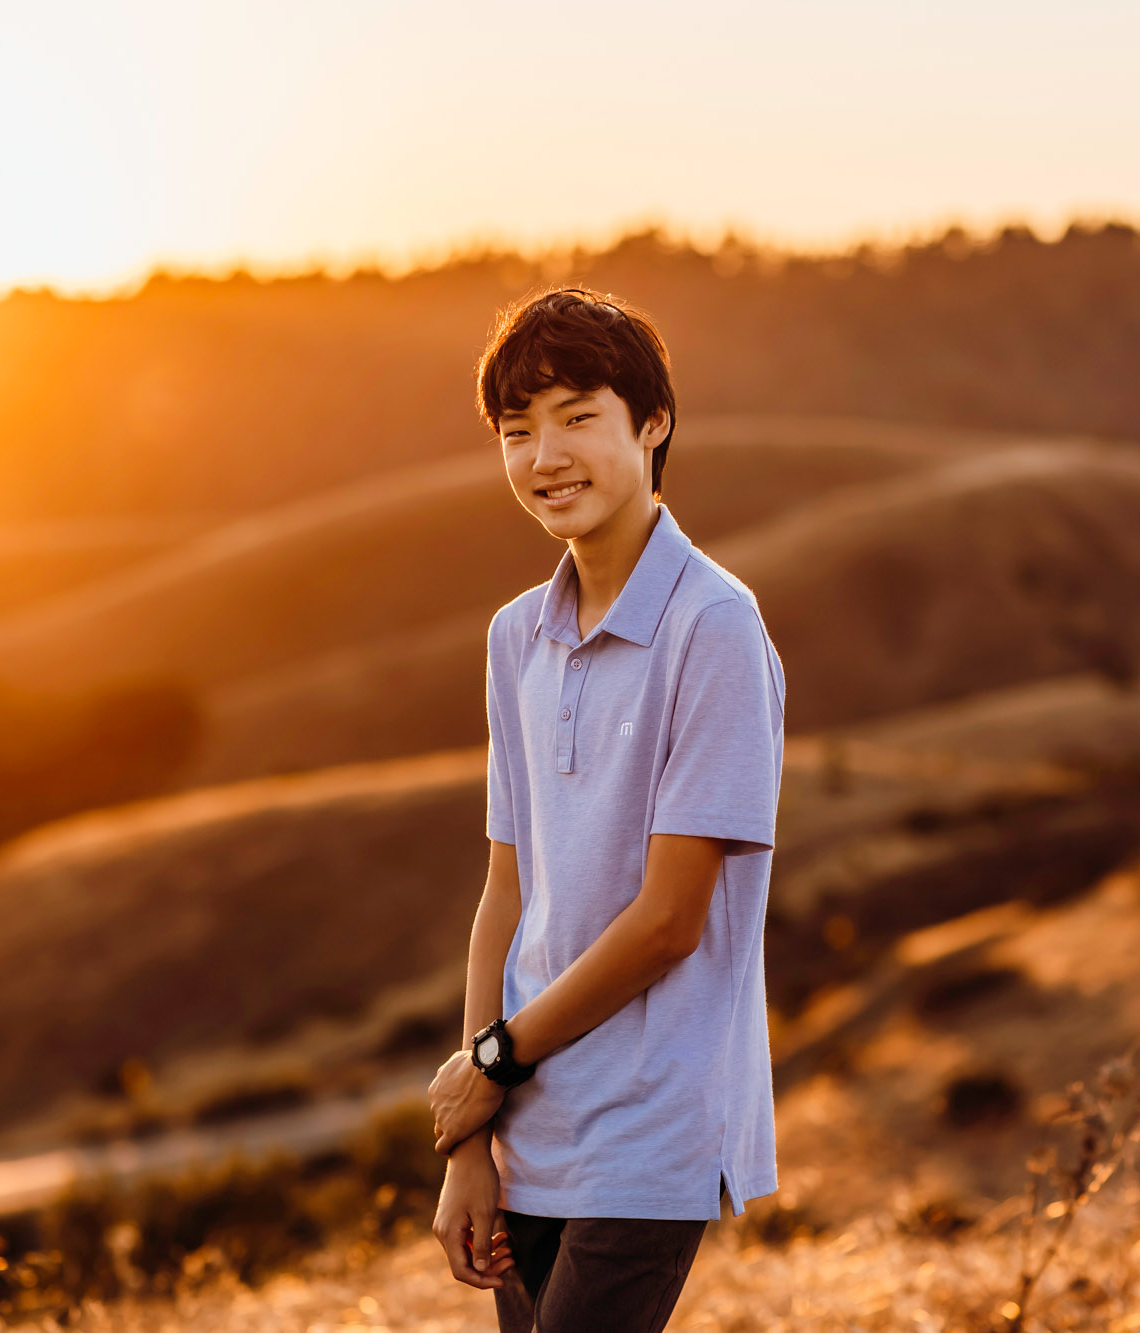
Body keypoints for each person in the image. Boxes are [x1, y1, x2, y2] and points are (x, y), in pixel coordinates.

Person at [427, 286, 788, 1332]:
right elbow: (506, 890)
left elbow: (671, 918)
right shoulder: (513, 638)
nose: (545, 456)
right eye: (516, 430)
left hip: (650, 1128)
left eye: (578, 416)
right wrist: (471, 1139)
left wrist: (491, 1061)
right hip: (528, 1125)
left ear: (653, 422)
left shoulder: (712, 626)